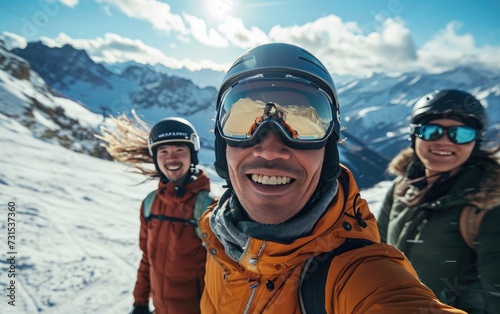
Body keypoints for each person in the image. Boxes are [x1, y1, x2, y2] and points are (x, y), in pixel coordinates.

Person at [197, 43, 465, 313]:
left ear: (328, 151)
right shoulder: (217, 236)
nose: (269, 150)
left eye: (303, 125)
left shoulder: (358, 276)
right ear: (223, 146)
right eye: (242, 123)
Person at [377, 89, 500, 313]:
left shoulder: (488, 206)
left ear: (476, 142)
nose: (444, 142)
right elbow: (375, 253)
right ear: (414, 136)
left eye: (461, 134)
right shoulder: (401, 189)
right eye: (431, 131)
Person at [97, 114, 213, 314]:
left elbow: (227, 272)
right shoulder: (150, 205)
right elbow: (147, 259)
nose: (171, 158)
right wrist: (140, 302)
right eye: (163, 151)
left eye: (179, 150)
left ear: (192, 155)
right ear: (156, 158)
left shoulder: (208, 209)